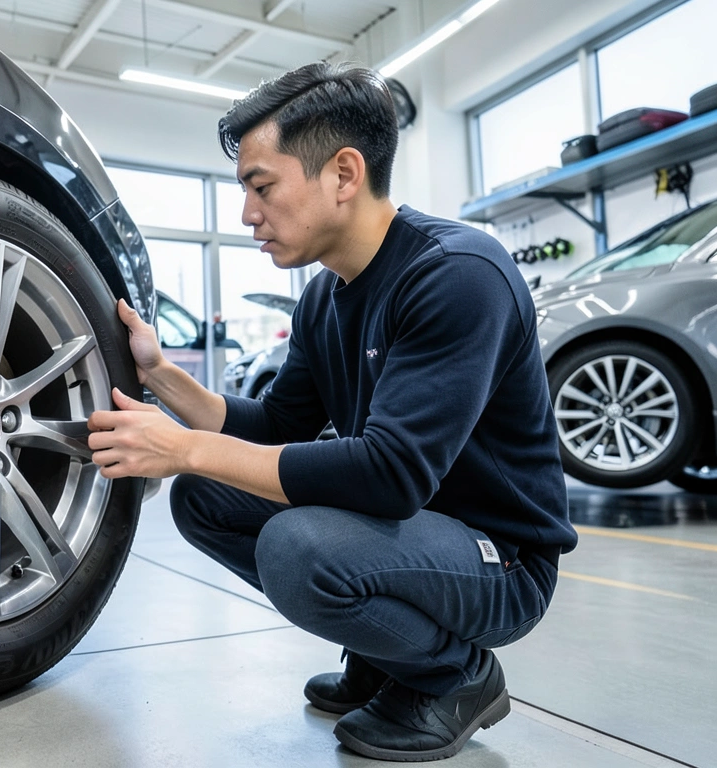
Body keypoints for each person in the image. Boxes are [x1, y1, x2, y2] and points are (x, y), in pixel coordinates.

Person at [86, 62, 577, 762]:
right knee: (205, 498)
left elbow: (390, 475)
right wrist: (161, 375)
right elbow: (275, 428)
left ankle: (454, 675)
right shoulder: (324, 296)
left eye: (262, 187)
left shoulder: (458, 274)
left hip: (500, 562)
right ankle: (388, 653)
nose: (247, 214)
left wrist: (183, 447)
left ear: (343, 174)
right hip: (410, 534)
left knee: (299, 548)